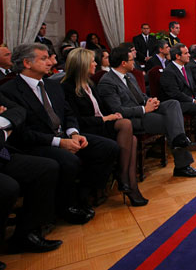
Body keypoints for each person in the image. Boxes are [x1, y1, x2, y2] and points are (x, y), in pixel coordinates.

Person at [0, 43, 119, 225]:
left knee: (108, 147)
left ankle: (82, 195)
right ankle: (66, 206)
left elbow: (68, 113)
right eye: (44, 58)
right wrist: (59, 142)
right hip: (38, 143)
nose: (50, 62)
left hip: (64, 135)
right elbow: (22, 132)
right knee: (69, 160)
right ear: (27, 63)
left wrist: (74, 133)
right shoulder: (9, 91)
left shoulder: (53, 85)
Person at [97, 46, 196, 178]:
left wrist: (151, 100)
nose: (134, 62)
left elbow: (141, 96)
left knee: (173, 104)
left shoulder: (129, 76)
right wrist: (144, 109)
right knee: (172, 123)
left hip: (145, 110)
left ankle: (179, 140)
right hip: (132, 119)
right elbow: (117, 110)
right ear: (123, 63)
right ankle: (182, 164)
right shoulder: (107, 82)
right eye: (131, 60)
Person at [61, 48, 147, 207]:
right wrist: (106, 118)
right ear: (82, 65)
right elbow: (76, 119)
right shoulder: (67, 88)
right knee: (127, 127)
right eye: (92, 61)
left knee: (132, 137)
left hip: (102, 125)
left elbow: (102, 109)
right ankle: (126, 180)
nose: (96, 64)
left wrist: (112, 115)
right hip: (89, 129)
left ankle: (128, 182)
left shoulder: (90, 84)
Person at [0, 92, 62, 254]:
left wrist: (2, 123)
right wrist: (4, 131)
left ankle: (26, 235)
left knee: (46, 168)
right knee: (8, 187)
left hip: (3, 153)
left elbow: (18, 110)